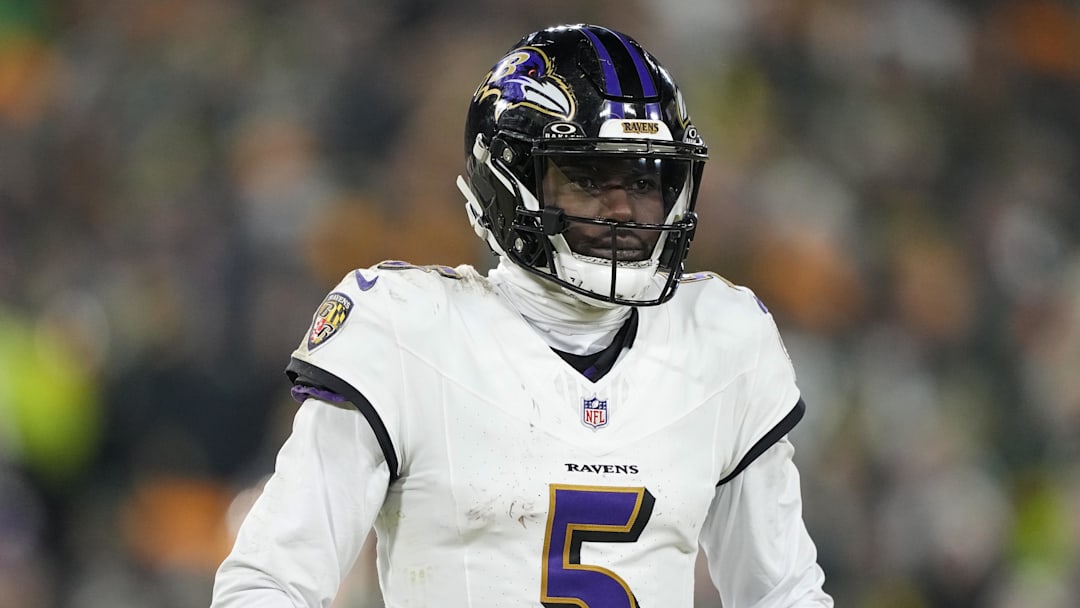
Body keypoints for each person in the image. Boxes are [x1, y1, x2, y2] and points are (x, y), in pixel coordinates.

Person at [212, 23, 833, 607]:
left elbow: (784, 593)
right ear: (506, 181)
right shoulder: (406, 330)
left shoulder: (721, 338)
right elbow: (269, 581)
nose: (623, 209)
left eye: (644, 182)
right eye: (588, 179)